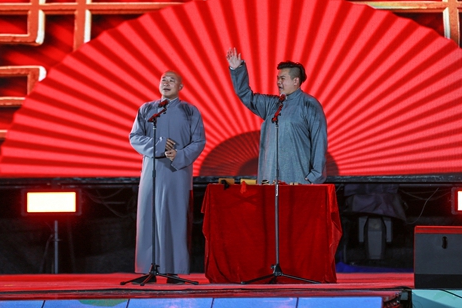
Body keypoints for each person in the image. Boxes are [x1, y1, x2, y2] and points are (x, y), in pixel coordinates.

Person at [129, 71, 206, 282]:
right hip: (152, 170)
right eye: (164, 79)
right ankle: (149, 269)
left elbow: (199, 141)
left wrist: (179, 155)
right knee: (148, 218)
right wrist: (159, 146)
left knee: (176, 218)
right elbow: (134, 137)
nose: (166, 83)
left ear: (180, 87)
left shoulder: (190, 111)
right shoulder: (147, 109)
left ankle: (173, 271)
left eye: (172, 80)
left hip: (177, 171)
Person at [226, 48, 327, 184]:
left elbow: (319, 141)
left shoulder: (309, 104)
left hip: (298, 180)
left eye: (283, 78)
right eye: (278, 78)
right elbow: (246, 95)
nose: (278, 82)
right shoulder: (272, 104)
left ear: (296, 81)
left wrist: (314, 177)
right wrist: (237, 69)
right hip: (269, 179)